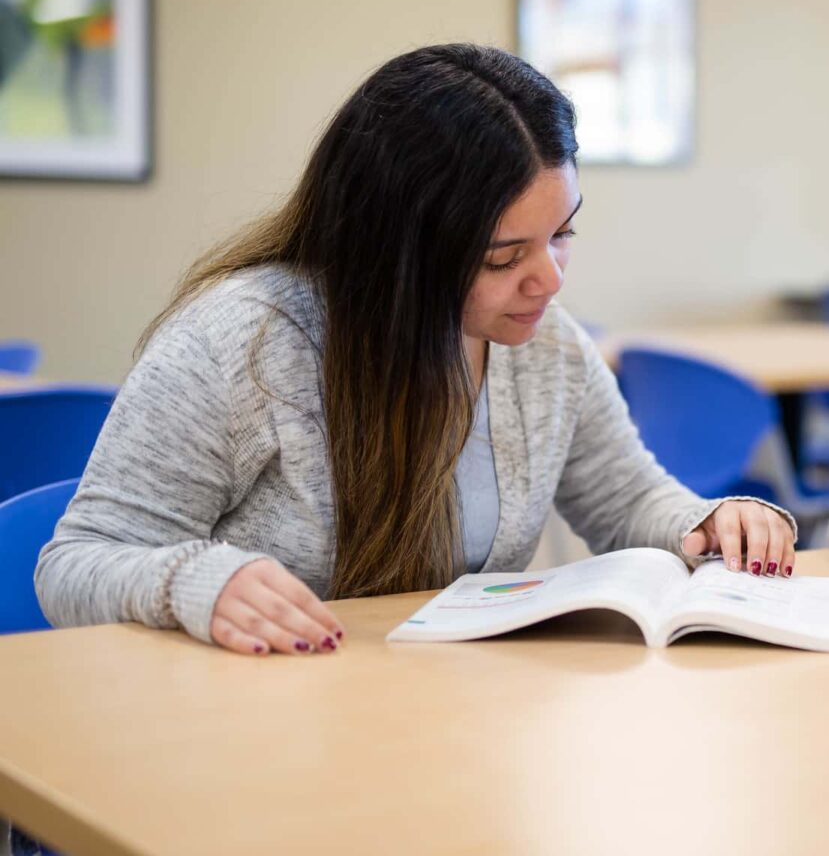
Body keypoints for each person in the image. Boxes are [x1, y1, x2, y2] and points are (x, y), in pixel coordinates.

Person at [35, 43, 797, 657]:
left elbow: (625, 497)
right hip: (250, 736)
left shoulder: (544, 347)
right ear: (392, 252)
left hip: (438, 718)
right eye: (502, 257)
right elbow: (75, 562)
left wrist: (706, 523)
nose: (548, 280)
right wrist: (194, 581)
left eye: (562, 233)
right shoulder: (240, 343)